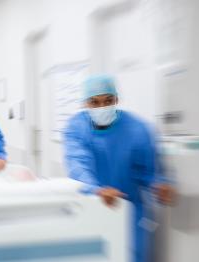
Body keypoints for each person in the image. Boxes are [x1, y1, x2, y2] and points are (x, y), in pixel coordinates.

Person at [63, 74, 175, 262]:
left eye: (108, 101)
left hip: (130, 211)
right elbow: (78, 164)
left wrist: (160, 184)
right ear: (85, 104)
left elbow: (151, 170)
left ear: (116, 99)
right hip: (92, 206)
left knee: (131, 256)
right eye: (94, 102)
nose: (102, 107)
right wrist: (96, 190)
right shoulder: (76, 127)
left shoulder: (138, 129)